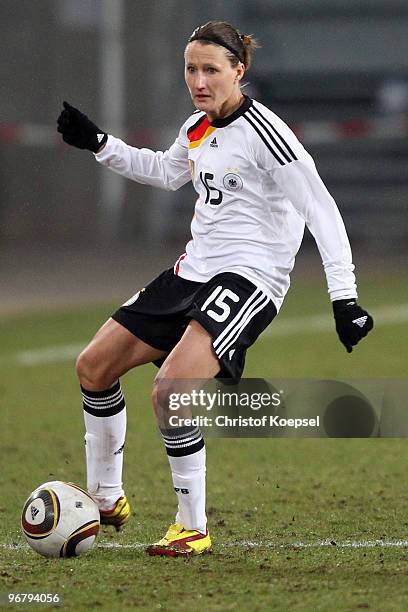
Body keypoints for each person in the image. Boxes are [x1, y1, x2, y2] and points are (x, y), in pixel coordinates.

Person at [57, 21, 374, 557]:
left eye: (211, 70)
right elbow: (165, 172)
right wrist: (100, 144)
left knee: (171, 391)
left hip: (250, 278)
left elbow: (322, 210)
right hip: (192, 270)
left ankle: (192, 525)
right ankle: (106, 499)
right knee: (93, 366)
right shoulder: (198, 127)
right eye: (191, 69)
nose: (199, 81)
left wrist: (344, 297)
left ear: (239, 71)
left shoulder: (269, 135)